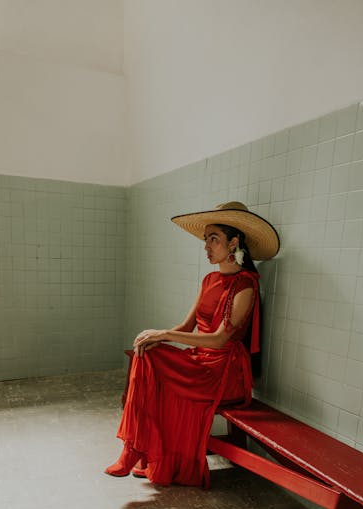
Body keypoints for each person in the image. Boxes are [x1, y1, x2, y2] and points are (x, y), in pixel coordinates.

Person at [105, 201, 280, 489]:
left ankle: (144, 452)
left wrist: (164, 334)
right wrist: (154, 337)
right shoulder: (210, 279)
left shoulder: (245, 285)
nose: (207, 246)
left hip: (223, 372)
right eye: (205, 240)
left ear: (234, 242)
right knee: (145, 354)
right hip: (201, 361)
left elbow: (221, 338)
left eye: (214, 239)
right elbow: (186, 327)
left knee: (155, 355)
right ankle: (135, 449)